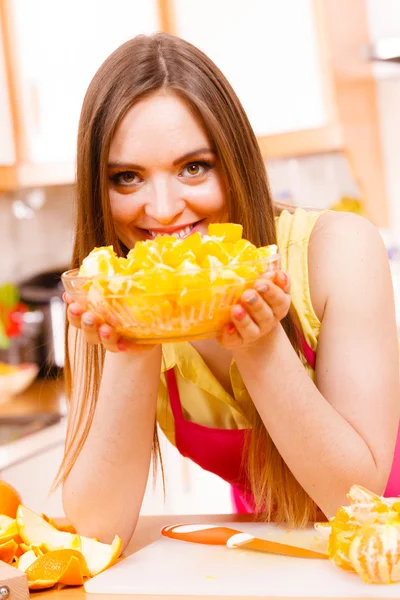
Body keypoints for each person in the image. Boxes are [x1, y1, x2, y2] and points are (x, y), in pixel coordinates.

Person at [60, 33, 400, 548]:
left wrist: (262, 346)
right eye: (127, 177)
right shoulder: (106, 293)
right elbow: (99, 528)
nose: (163, 207)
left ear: (235, 161)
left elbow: (357, 502)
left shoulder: (339, 250)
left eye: (194, 167)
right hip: (276, 554)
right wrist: (132, 342)